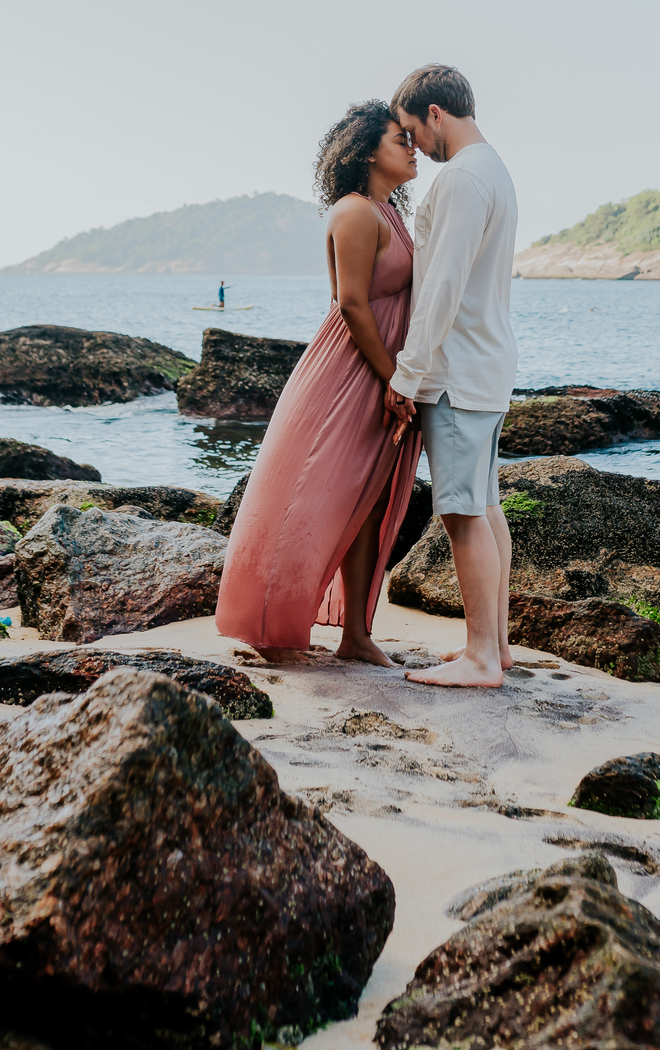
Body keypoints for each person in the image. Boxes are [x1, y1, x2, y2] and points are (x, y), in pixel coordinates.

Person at [215, 101, 422, 665]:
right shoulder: (356, 212)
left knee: (370, 500)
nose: (412, 147)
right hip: (354, 370)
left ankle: (355, 633)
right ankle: (268, 619)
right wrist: (394, 379)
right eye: (399, 139)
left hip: (382, 371)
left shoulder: (390, 211)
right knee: (317, 496)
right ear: (366, 152)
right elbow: (352, 305)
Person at [385, 64, 518, 689]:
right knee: (486, 507)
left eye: (413, 129)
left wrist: (407, 375)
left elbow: (441, 283)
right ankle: (497, 647)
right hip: (485, 362)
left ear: (436, 112)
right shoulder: (494, 169)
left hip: (458, 370)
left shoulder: (463, 178)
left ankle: (481, 658)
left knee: (464, 515)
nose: (415, 145)